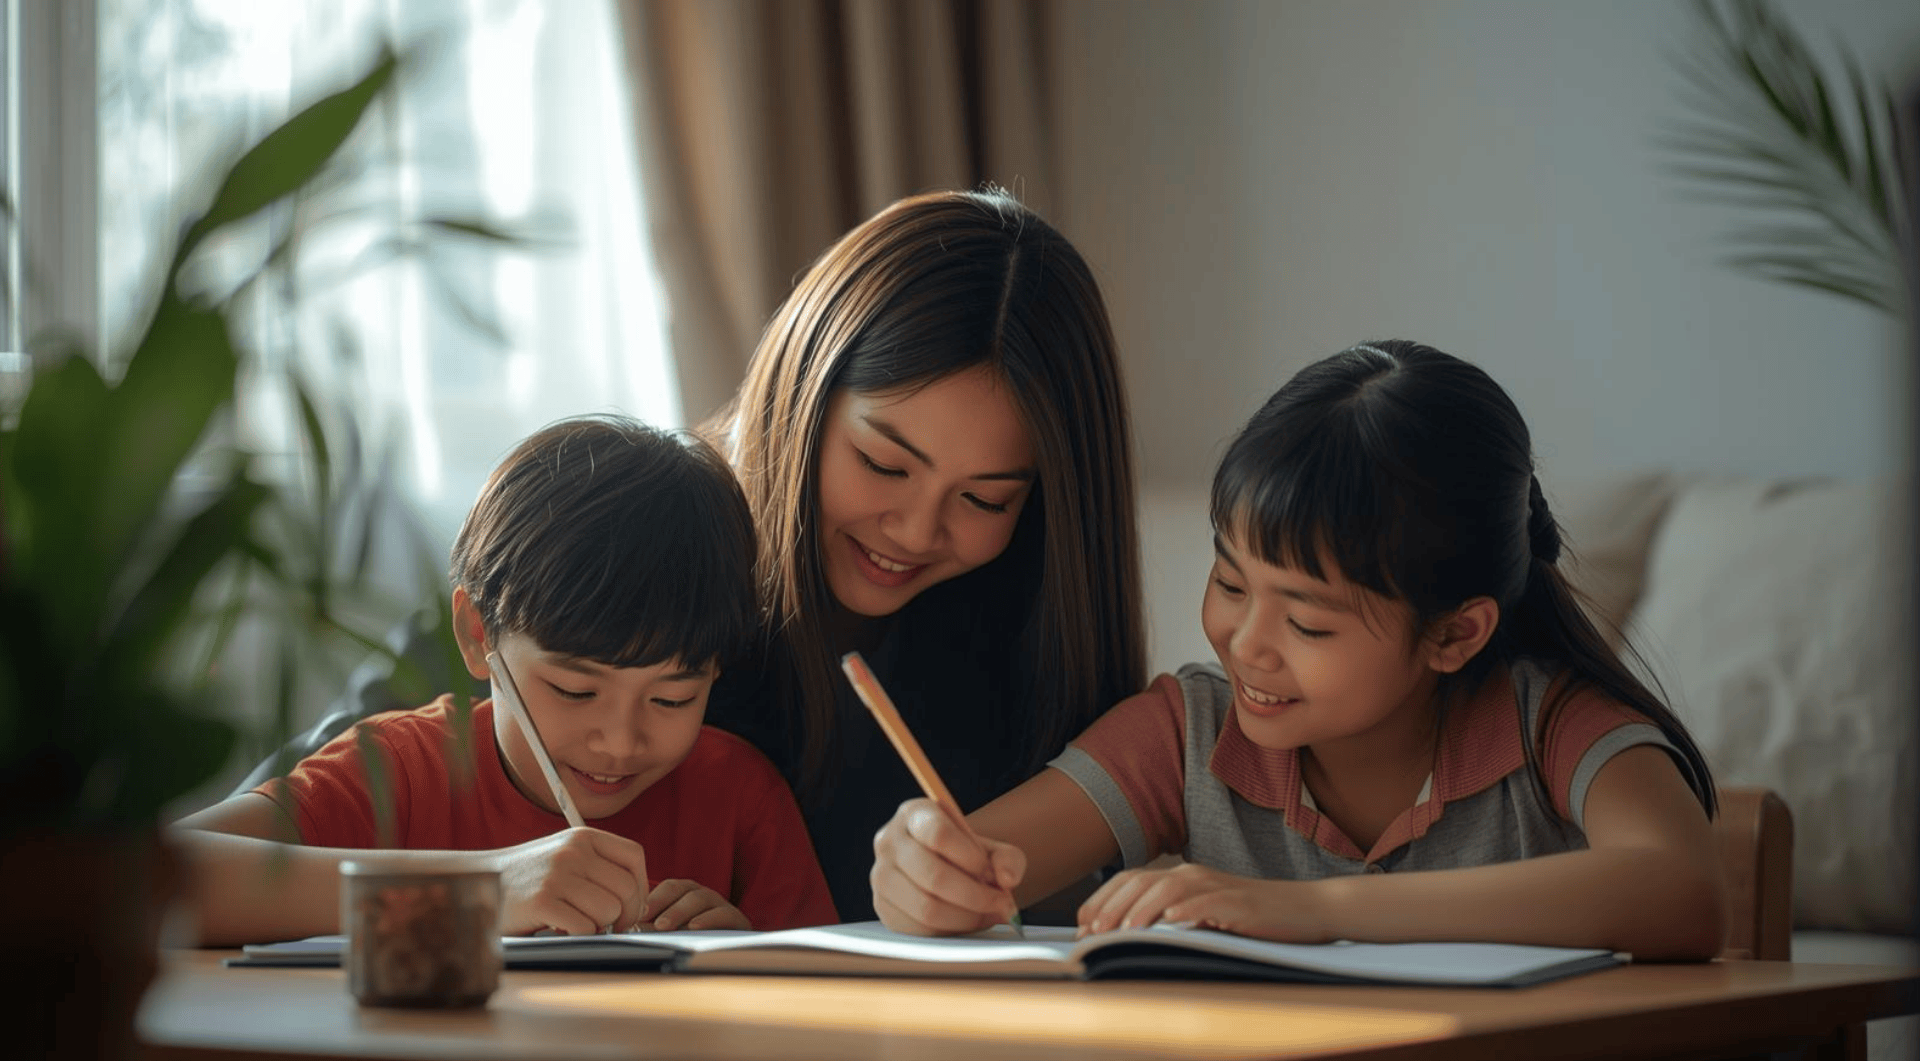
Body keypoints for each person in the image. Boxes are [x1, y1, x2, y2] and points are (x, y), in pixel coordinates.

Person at [870, 340, 1728, 960]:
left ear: (1456, 633)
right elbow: (985, 864)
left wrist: (1315, 910)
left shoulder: (1552, 725)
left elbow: (1683, 892)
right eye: (1231, 584)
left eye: (1309, 623)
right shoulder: (1188, 733)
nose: (1245, 645)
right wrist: (926, 868)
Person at [174, 417, 838, 946]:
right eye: (576, 691)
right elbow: (156, 878)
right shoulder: (399, 773)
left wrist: (743, 959)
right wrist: (484, 889)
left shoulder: (739, 796)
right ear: (476, 636)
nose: (618, 741)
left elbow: (830, 1009)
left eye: (672, 698)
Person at [700, 188, 1147, 922]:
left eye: (985, 500)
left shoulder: (1022, 628)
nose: (913, 532)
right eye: (883, 463)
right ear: (803, 397)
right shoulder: (671, 548)